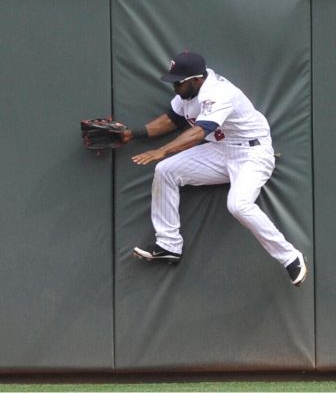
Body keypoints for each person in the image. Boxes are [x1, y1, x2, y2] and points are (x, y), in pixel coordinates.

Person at [122, 51, 307, 286]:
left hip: (252, 153)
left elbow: (199, 132)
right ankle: (168, 245)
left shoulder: (218, 93)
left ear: (197, 79)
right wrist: (132, 135)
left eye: (179, 81)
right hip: (221, 150)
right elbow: (172, 120)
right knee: (165, 170)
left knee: (238, 205)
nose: (175, 85)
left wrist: (162, 150)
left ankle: (289, 256)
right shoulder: (188, 91)